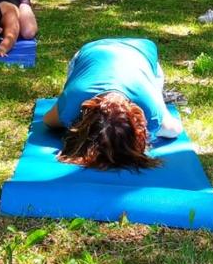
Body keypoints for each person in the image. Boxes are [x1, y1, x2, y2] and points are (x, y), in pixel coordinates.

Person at [43, 38, 183, 170]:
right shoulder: (72, 105)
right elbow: (48, 121)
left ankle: (151, 86)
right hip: (91, 51)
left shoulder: (151, 114)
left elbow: (174, 129)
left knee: (166, 124)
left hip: (141, 54)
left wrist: (158, 104)